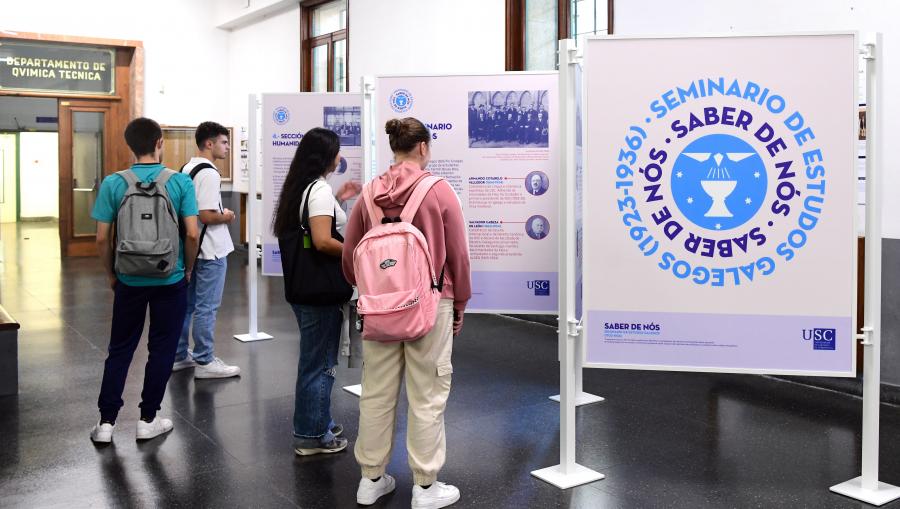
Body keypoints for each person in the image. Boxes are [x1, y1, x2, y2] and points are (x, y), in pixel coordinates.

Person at [343, 117, 471, 508]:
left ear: (394, 148)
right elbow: (459, 256)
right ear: (423, 148)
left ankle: (371, 479)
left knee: (377, 393)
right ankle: (426, 487)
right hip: (432, 304)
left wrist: (376, 290)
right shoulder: (439, 191)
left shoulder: (367, 195)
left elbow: (350, 259)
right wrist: (459, 301)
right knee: (428, 394)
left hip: (379, 308)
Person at [89, 117, 200, 443]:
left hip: (129, 279)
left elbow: (100, 239)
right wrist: (188, 269)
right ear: (159, 143)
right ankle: (148, 418)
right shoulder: (180, 183)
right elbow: (192, 233)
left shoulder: (113, 183)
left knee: (120, 349)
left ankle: (106, 424)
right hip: (171, 278)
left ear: (130, 146)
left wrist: (111, 274)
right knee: (162, 349)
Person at [272, 127, 361, 456]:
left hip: (303, 289)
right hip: (320, 292)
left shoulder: (302, 187)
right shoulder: (319, 190)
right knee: (320, 363)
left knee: (314, 360)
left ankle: (316, 421)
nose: (340, 158)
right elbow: (322, 240)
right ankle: (311, 435)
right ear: (326, 157)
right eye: (337, 152)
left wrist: (339, 199)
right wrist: (357, 250)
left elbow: (311, 228)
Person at [172, 122, 241, 378]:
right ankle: (204, 360)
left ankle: (179, 355)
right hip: (210, 249)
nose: (228, 146)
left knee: (188, 306)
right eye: (224, 142)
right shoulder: (210, 173)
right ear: (209, 143)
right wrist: (228, 215)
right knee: (207, 307)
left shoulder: (186, 168)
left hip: (192, 249)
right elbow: (207, 215)